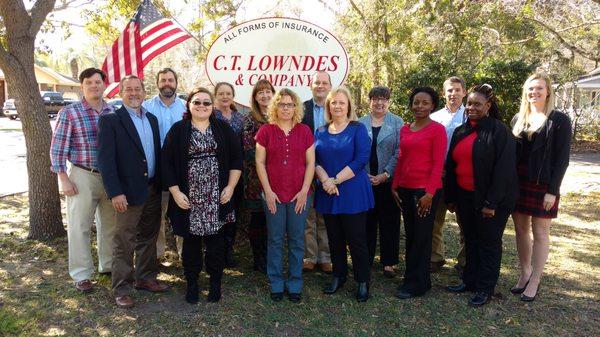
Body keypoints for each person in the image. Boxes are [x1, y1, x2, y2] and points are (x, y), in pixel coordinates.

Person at [161, 87, 242, 303]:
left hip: (217, 196)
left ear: (212, 106)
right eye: (197, 102)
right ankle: (192, 284)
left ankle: (215, 283)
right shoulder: (178, 130)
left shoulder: (223, 129)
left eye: (207, 103)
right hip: (189, 197)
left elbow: (236, 160)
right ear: (189, 105)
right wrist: (176, 192)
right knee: (191, 243)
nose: (202, 106)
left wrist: (231, 187)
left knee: (216, 243)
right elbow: (166, 164)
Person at [98, 75, 169, 309]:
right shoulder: (110, 120)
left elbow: (154, 154)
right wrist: (115, 192)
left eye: (137, 89)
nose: (134, 93)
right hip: (126, 193)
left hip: (152, 189)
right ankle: (122, 288)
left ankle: (145, 278)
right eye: (128, 89)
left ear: (144, 92)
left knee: (148, 236)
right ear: (120, 93)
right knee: (124, 240)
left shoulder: (151, 119)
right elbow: (106, 161)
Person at [444, 84, 518, 306]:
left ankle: (485, 288)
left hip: (491, 201)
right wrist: (451, 198)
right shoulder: (461, 131)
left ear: (488, 106)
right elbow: (451, 165)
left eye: (477, 104)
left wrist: (491, 202)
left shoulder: (500, 131)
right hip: (466, 197)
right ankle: (469, 280)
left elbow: (504, 171)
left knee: (488, 243)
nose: (471, 107)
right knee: (471, 240)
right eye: (469, 104)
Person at [50, 68, 116, 293]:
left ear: (104, 85)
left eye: (98, 82)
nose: (94, 86)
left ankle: (107, 265)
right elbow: (57, 148)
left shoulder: (113, 111)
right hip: (82, 174)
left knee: (110, 224)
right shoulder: (70, 113)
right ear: (82, 86)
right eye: (89, 82)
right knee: (80, 226)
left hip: (110, 177)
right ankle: (81, 274)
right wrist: (63, 178)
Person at [510, 73, 572, 302]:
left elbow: (562, 159)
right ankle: (525, 272)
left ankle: (535, 279)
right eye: (530, 89)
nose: (534, 92)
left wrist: (552, 191)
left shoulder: (559, 120)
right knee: (520, 230)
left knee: (540, 233)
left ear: (548, 92)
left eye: (539, 88)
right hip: (519, 182)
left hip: (543, 184)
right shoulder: (519, 118)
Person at [255, 88, 315, 302]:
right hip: (273, 195)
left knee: (298, 239)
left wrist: (304, 191)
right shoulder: (265, 131)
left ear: (296, 107)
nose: (286, 108)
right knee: (276, 239)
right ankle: (277, 283)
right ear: (275, 107)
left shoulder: (305, 131)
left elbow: (311, 163)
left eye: (290, 104)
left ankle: (295, 282)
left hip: (300, 194)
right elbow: (259, 162)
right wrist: (268, 192)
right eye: (282, 104)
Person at [315, 86, 374, 302]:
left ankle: (362, 280)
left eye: (341, 102)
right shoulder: (320, 131)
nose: (337, 106)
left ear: (348, 105)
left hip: (352, 192)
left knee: (356, 239)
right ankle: (339, 275)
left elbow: (361, 159)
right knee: (334, 238)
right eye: (333, 102)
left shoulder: (358, 129)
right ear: (328, 106)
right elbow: (315, 160)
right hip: (328, 192)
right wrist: (325, 181)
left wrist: (335, 180)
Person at [391, 87, 446, 300]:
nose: (420, 106)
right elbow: (402, 158)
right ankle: (418, 278)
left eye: (425, 102)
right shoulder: (405, 129)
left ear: (433, 105)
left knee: (422, 238)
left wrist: (430, 193)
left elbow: (438, 164)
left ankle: (416, 284)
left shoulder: (437, 130)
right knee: (412, 236)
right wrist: (394, 185)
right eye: (416, 102)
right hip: (405, 189)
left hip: (424, 192)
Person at [358, 86, 403, 278]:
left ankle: (389, 262)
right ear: (369, 101)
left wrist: (385, 174)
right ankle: (365, 259)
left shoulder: (398, 122)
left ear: (389, 101)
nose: (379, 102)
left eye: (384, 99)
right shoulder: (359, 123)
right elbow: (356, 151)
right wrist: (364, 175)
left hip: (388, 181)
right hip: (364, 180)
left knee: (389, 221)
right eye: (375, 98)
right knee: (366, 221)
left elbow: (400, 152)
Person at [142, 68, 186, 259]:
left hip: (181, 170)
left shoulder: (186, 107)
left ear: (176, 82)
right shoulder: (146, 107)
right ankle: (157, 255)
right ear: (158, 83)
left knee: (183, 211)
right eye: (163, 80)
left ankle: (185, 255)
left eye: (170, 80)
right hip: (155, 170)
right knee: (155, 215)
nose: (167, 83)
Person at [429, 76, 468, 273]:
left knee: (465, 219)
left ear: (464, 92)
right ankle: (435, 257)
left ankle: (464, 260)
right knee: (436, 219)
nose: (453, 94)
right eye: (450, 90)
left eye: (457, 90)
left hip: (461, 176)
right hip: (439, 174)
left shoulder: (470, 116)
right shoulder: (434, 117)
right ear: (444, 93)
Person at [301, 71, 333, 273]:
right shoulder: (301, 108)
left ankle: (326, 256)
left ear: (330, 86)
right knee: (308, 215)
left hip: (331, 167)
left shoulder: (336, 107)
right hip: (304, 167)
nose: (320, 86)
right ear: (310, 85)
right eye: (317, 82)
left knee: (326, 215)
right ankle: (310, 256)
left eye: (324, 82)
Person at [242, 79, 275, 273]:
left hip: (279, 178)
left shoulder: (280, 116)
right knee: (258, 220)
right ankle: (259, 258)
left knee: (274, 220)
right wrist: (270, 160)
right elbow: (247, 149)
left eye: (268, 92)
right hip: (255, 179)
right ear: (255, 97)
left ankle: (272, 256)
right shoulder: (249, 119)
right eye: (260, 92)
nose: (264, 95)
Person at [213, 82, 245, 268]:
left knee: (233, 213)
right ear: (215, 95)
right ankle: (215, 251)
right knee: (217, 213)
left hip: (235, 172)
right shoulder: (210, 115)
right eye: (221, 93)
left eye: (228, 93)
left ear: (233, 96)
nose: (225, 97)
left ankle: (228, 251)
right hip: (215, 171)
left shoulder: (240, 118)